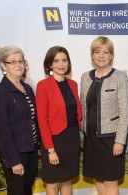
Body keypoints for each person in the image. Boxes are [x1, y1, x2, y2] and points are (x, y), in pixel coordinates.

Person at [80, 36, 128, 195]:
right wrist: (83, 134)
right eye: (97, 52)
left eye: (105, 52)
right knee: (99, 179)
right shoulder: (85, 77)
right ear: (92, 56)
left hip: (111, 140)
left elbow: (125, 111)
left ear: (111, 56)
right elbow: (83, 107)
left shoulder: (120, 77)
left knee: (110, 180)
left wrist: (120, 141)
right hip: (91, 139)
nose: (101, 56)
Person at [0, 46, 40, 195]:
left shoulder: (27, 88)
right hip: (15, 154)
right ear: (3, 66)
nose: (18, 65)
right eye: (12, 62)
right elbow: (2, 131)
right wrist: (13, 160)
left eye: (20, 61)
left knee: (27, 189)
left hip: (31, 150)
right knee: (17, 191)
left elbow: (33, 120)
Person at [36, 46, 82, 195]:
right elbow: (42, 121)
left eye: (64, 60)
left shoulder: (73, 84)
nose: (61, 64)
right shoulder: (43, 86)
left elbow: (76, 114)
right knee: (53, 183)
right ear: (50, 64)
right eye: (56, 61)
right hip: (54, 141)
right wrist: (50, 150)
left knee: (67, 180)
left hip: (72, 139)